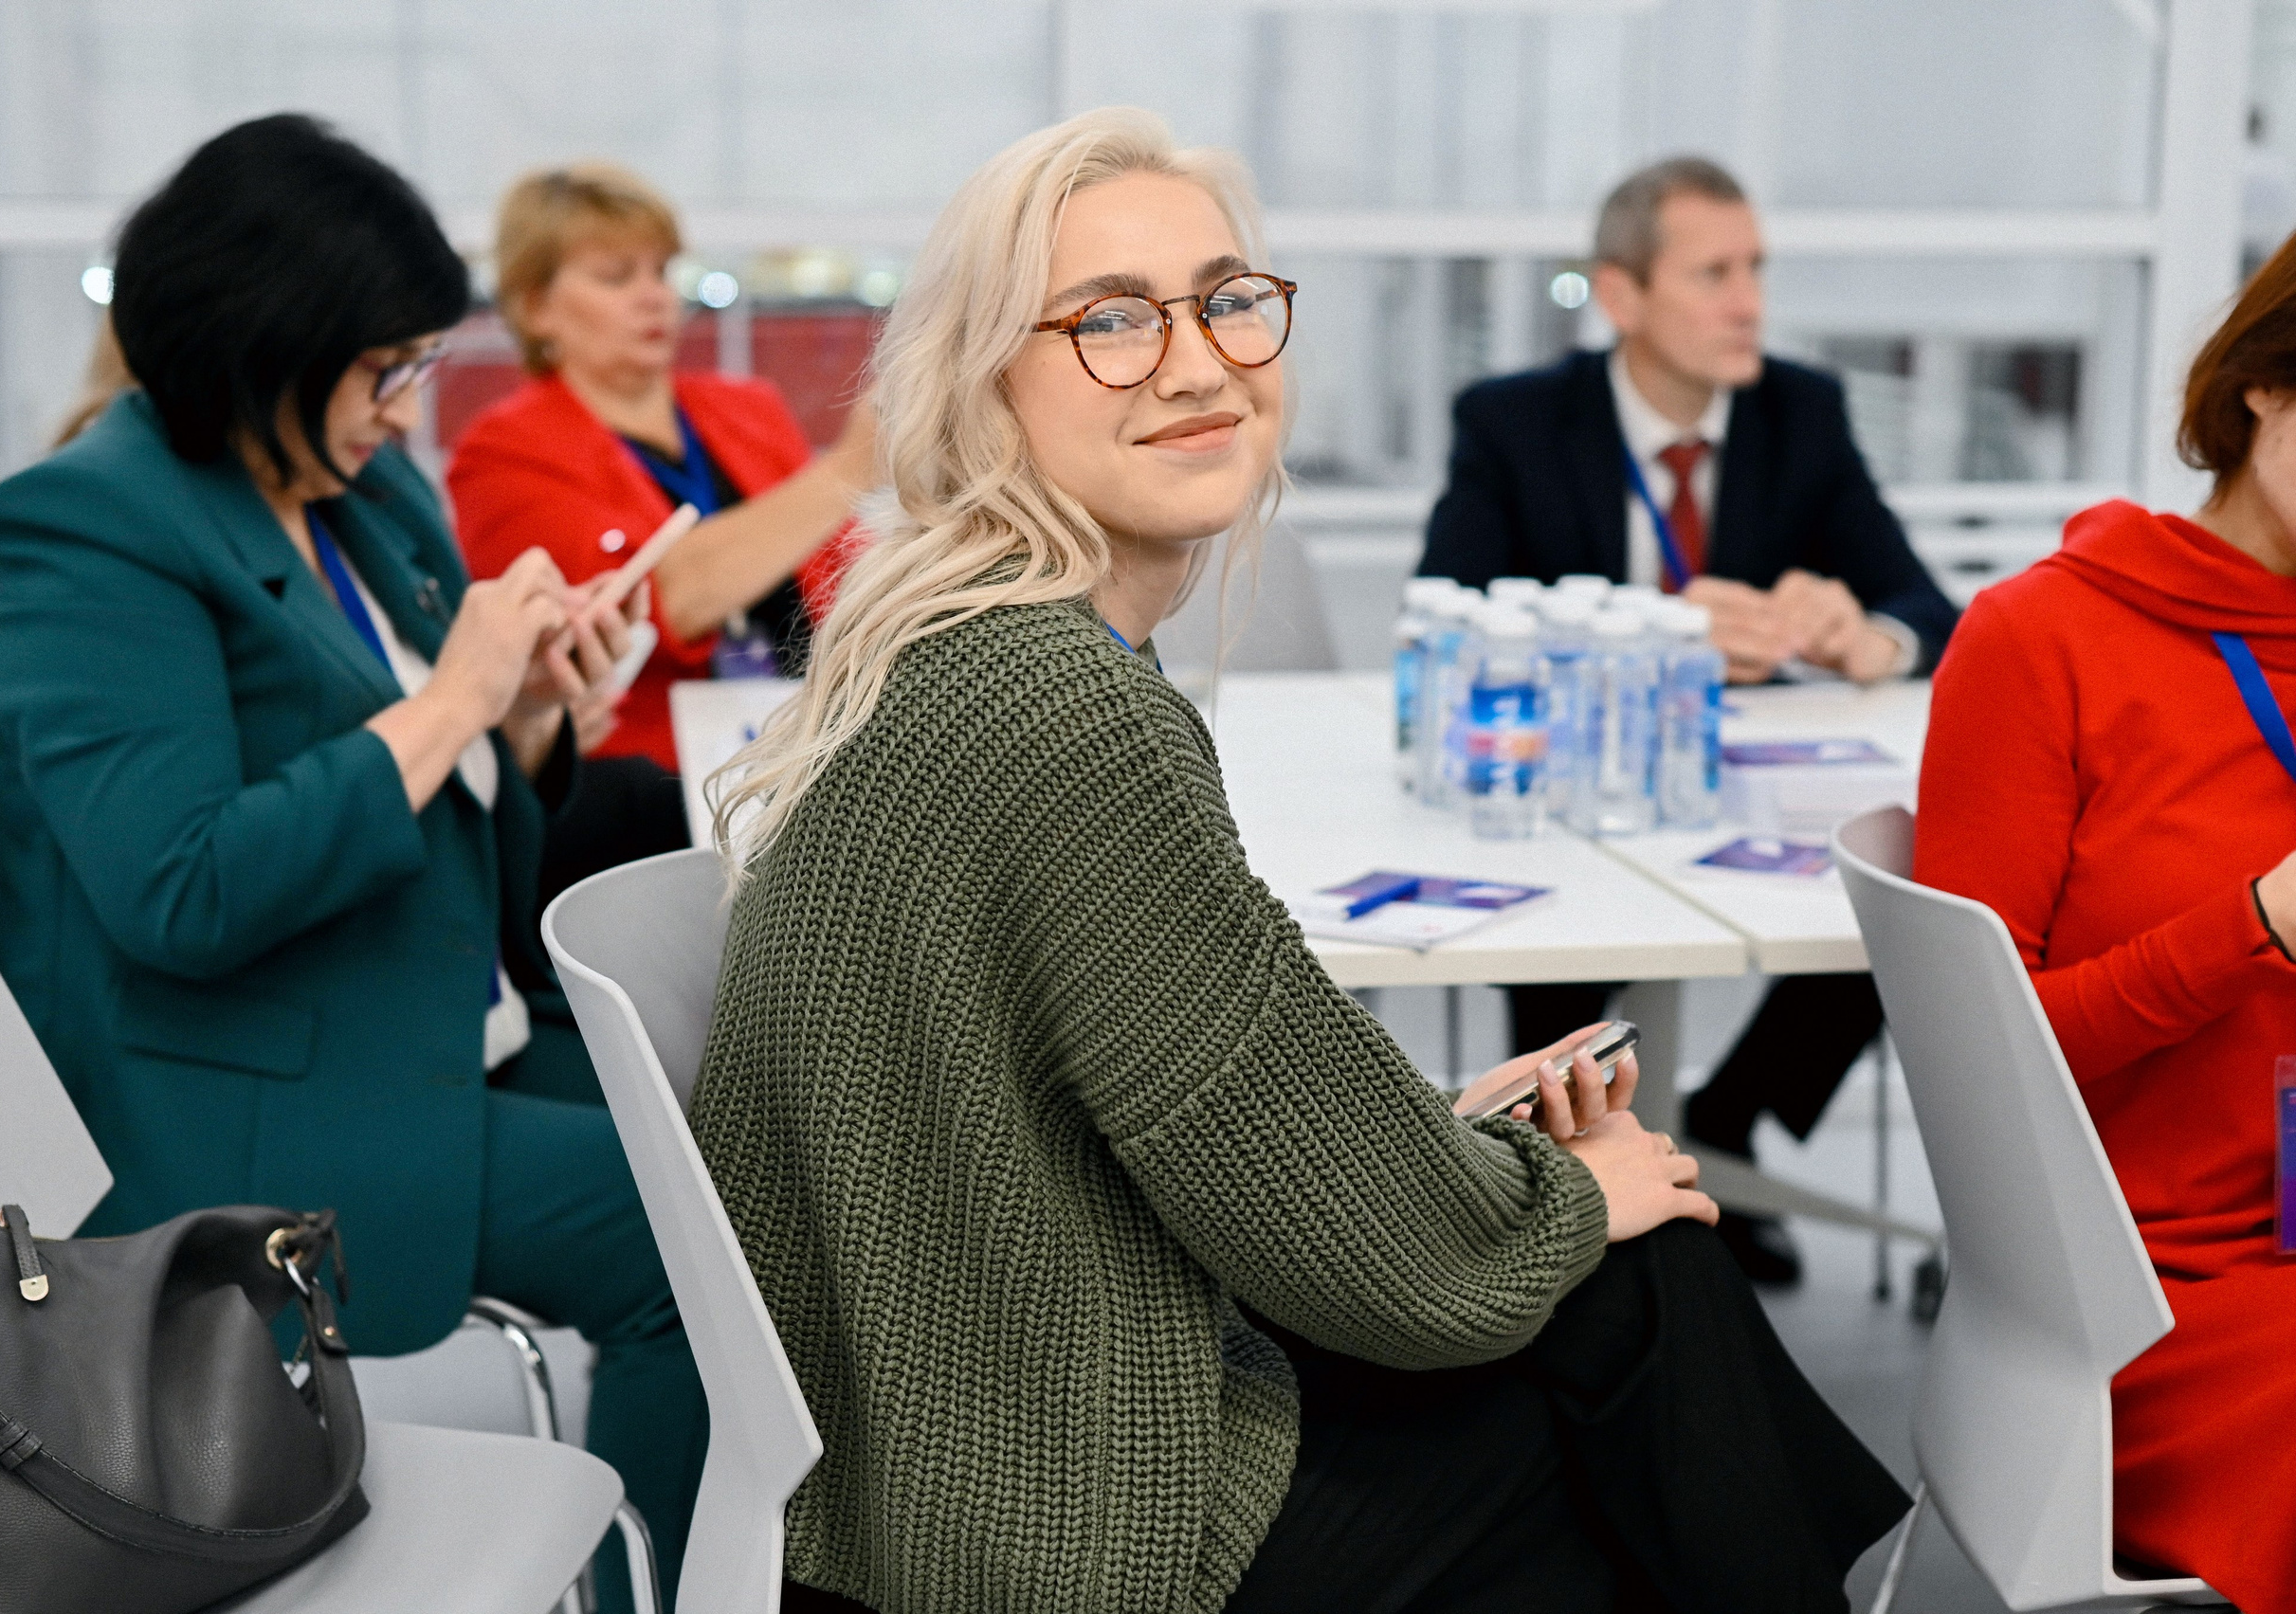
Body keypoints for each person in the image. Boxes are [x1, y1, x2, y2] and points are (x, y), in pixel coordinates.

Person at [693, 107, 1907, 1614]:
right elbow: (1377, 1260)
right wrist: (1559, 1189)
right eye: (1113, 322)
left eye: (1227, 300)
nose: (1199, 361)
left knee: (1628, 1315)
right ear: (983, 378)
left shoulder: (958, 639)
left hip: (948, 1429)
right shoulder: (1060, 702)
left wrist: (1447, 1143)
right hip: (1053, 1504)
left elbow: (1204, 1094)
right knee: (1638, 1304)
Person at [0, 115, 706, 1599]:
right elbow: (184, 889)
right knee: (693, 1241)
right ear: (260, 349)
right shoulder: (84, 531)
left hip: (412, 1011)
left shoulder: (364, 500)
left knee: (746, 1107)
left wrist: (542, 707)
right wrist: (452, 699)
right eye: (384, 369)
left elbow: (449, 794)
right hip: (228, 1103)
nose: (406, 404)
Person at [1417, 155, 1962, 1285]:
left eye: (1754, 268)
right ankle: (1560, 1176)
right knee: (1561, 927)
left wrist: (1867, 634)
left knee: (1903, 888)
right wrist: (1652, 628)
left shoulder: (1798, 411)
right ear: (1620, 297)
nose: (1749, 301)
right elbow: (1455, 609)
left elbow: (1925, 608)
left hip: (1745, 783)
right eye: (1713, 273)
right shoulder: (1515, 420)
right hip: (1568, 794)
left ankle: (1721, 1123)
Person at [1913, 230, 2296, 1614]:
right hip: (2149, 1281)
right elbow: (1987, 1067)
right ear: (2264, 382)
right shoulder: (2045, 641)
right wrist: (2254, 924)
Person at [448, 162, 875, 781]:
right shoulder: (501, 452)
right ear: (536, 306)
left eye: (662, 271)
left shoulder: (748, 409)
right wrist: (851, 466)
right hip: (643, 781)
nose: (654, 296)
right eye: (616, 276)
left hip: (804, 746)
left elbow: (845, 577)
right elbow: (661, 599)